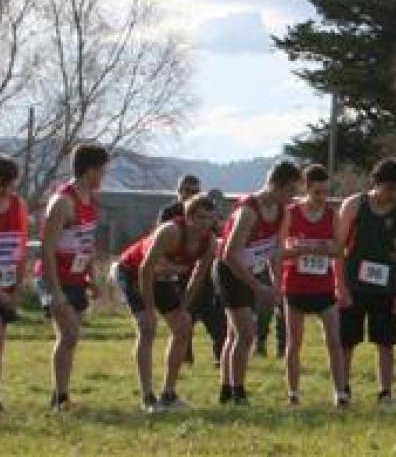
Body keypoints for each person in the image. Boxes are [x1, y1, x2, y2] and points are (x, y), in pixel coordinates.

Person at [116, 194, 217, 412]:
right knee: (146, 327)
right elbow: (145, 269)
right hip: (133, 272)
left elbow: (199, 274)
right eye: (200, 218)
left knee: (183, 326)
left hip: (162, 278)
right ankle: (147, 397)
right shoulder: (170, 232)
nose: (205, 224)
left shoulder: (209, 243)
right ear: (187, 218)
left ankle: (168, 394)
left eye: (210, 219)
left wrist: (184, 306)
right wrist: (150, 310)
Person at [214, 160, 301, 405]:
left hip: (252, 269)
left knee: (235, 335)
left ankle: (226, 389)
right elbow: (230, 253)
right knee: (246, 333)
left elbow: (275, 250)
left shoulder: (282, 211)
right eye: (291, 191)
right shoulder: (249, 210)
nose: (293, 197)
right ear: (277, 185)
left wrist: (276, 285)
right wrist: (256, 286)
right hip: (230, 269)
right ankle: (238, 393)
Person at [335, 158, 396, 404]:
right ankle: (343, 390)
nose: (393, 194)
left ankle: (385, 392)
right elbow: (338, 249)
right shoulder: (353, 206)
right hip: (353, 285)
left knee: (386, 343)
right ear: (376, 183)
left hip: (385, 287)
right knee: (347, 341)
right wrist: (340, 286)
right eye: (389, 188)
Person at [41, 143, 109, 411]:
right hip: (54, 277)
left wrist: (91, 278)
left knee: (69, 339)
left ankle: (61, 395)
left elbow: (85, 243)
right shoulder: (62, 202)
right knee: (69, 334)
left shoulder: (91, 200)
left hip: (77, 277)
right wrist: (55, 292)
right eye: (102, 170)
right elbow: (46, 249)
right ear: (90, 170)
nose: (104, 175)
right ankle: (60, 396)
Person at [279, 164, 346, 406]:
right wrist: (298, 250)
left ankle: (340, 393)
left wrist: (326, 248)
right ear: (306, 189)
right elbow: (280, 251)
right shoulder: (291, 213)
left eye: (326, 193)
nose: (322, 198)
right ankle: (293, 393)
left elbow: (340, 249)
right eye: (317, 192)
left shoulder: (332, 215)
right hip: (296, 286)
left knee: (334, 341)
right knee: (294, 343)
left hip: (324, 287)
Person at [158, 176, 226, 368]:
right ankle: (184, 359)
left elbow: (219, 234)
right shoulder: (169, 213)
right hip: (178, 274)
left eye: (194, 191)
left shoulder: (205, 211)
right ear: (178, 191)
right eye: (186, 190)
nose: (190, 194)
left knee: (217, 319)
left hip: (205, 272)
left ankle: (221, 359)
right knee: (184, 317)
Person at [0, 154, 28, 412]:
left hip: (7, 284)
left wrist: (17, 286)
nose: (13, 187)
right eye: (10, 182)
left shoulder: (18, 205)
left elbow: (20, 245)